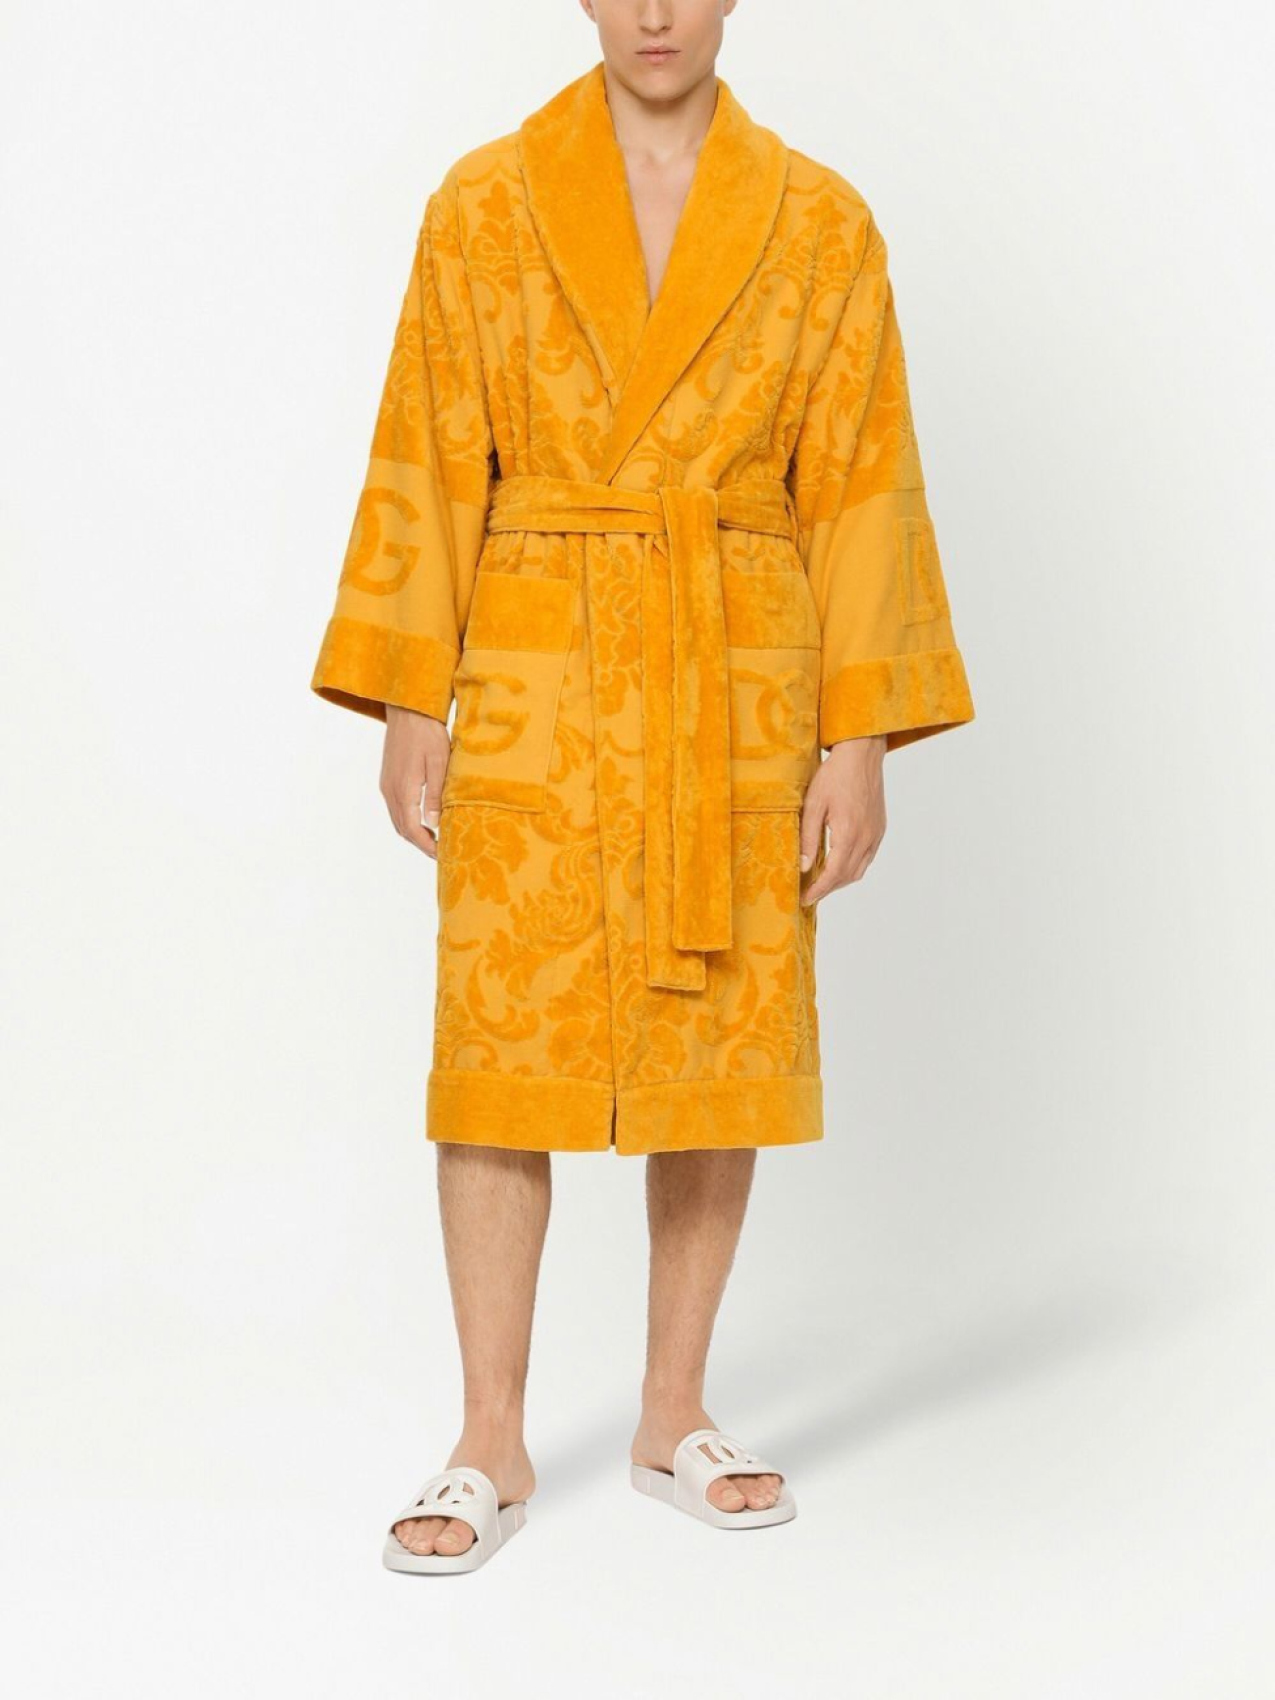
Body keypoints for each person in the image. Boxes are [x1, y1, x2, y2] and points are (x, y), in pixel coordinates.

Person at [310, 0, 975, 1574]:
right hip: (534, 660)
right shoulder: (485, 202)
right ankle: (489, 1432)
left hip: (732, 672)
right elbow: (429, 439)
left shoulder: (820, 222)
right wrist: (409, 690)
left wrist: (859, 735)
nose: (656, 12)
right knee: (502, 1041)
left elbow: (861, 479)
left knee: (714, 1030)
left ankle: (675, 1411)